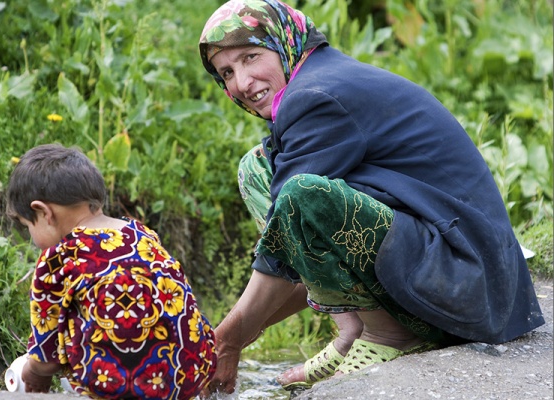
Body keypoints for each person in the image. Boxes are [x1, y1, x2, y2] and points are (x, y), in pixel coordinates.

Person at [197, 0, 545, 395]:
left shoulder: (315, 96)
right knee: (259, 169)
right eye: (227, 72)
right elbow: (294, 253)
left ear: (283, 44)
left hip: (468, 286)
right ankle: (355, 327)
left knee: (301, 194)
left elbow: (282, 247)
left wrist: (225, 341)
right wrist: (237, 335)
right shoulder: (319, 78)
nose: (241, 83)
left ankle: (390, 334)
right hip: (449, 262)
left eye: (251, 57)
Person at [5, 143, 217, 399]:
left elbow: (45, 357)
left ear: (43, 212)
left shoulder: (57, 259)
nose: (31, 236)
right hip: (190, 375)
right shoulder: (143, 234)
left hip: (116, 386)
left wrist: (32, 374)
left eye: (28, 225)